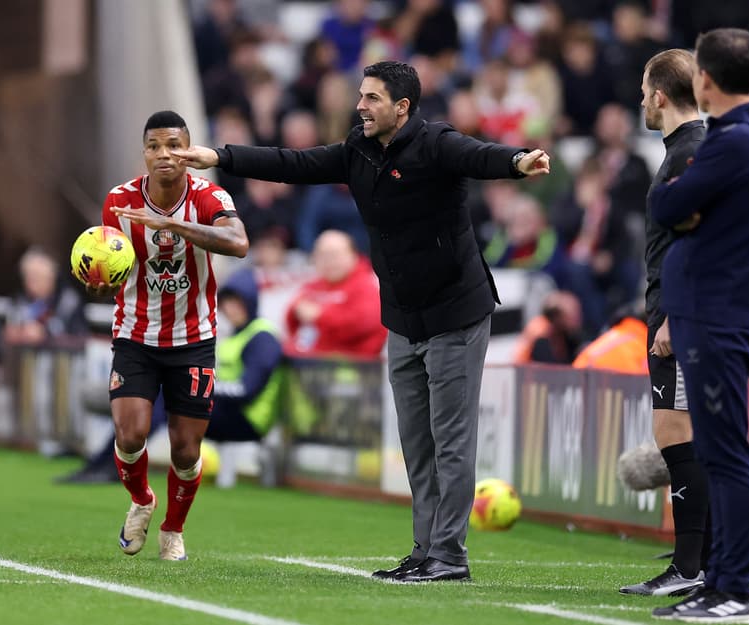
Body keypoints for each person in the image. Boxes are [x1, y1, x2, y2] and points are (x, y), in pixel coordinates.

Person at [173, 60, 550, 582]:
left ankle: (450, 556)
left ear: (402, 107)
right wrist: (220, 156)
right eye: (360, 96)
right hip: (402, 316)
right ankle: (425, 551)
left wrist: (518, 162)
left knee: (452, 439)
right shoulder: (358, 149)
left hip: (455, 313)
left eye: (371, 98)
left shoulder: (436, 142)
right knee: (417, 443)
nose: (359, 106)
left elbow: (479, 155)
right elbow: (294, 162)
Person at [648, 29, 749, 623]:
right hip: (708, 310)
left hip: (717, 313)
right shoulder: (737, 140)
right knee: (716, 451)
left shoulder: (733, 144)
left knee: (726, 456)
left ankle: (734, 590)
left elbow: (665, 206)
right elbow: (676, 207)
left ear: (705, 80)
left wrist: (686, 207)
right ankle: (720, 586)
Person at [94, 110, 249, 561]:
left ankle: (173, 530)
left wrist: (172, 225)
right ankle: (142, 500)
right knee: (129, 435)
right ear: (144, 153)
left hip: (194, 337)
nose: (164, 155)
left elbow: (238, 243)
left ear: (188, 150)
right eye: (154, 146)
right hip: (135, 333)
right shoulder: (118, 201)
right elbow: (111, 262)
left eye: (174, 146)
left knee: (185, 448)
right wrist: (100, 282)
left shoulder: (210, 196)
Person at [618, 48, 712, 598]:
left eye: (643, 89)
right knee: (684, 434)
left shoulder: (689, 153)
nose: (640, 101)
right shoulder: (681, 150)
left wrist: (674, 316)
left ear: (658, 95)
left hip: (681, 315)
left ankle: (690, 564)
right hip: (673, 309)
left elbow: (695, 241)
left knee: (675, 434)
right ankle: (702, 554)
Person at [205, 269, 284, 488]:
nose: (232, 309)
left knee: (178, 403)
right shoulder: (235, 334)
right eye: (228, 303)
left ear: (250, 301)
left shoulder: (262, 337)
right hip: (230, 411)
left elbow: (248, 390)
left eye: (238, 302)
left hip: (251, 419)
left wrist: (206, 390)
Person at [284, 230, 386, 359]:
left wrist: (320, 316)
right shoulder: (313, 285)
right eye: (322, 255)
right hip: (308, 362)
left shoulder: (366, 286)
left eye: (334, 255)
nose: (328, 261)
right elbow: (292, 317)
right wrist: (296, 311)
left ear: (353, 255)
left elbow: (362, 324)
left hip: (352, 367)